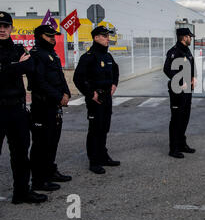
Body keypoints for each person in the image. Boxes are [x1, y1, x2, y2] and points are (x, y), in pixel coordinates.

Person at [0, 11, 47, 204]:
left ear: (11, 28)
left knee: (20, 154)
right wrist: (15, 67)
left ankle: (21, 192)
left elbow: (32, 67)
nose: (1, 29)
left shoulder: (17, 48)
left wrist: (7, 68)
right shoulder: (17, 54)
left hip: (17, 109)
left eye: (5, 26)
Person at [28, 25, 72, 192]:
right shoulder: (36, 55)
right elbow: (39, 82)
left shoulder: (51, 53)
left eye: (54, 36)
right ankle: (39, 180)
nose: (53, 38)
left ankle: (50, 171)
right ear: (40, 36)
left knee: (52, 141)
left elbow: (60, 76)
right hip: (42, 105)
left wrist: (66, 93)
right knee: (41, 144)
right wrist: (58, 96)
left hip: (54, 105)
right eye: (49, 36)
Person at [74, 26, 120, 174]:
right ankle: (94, 161)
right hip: (96, 99)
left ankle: (103, 156)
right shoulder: (89, 56)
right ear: (96, 38)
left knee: (104, 128)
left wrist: (114, 84)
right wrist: (90, 94)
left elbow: (115, 70)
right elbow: (78, 78)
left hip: (107, 97)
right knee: (95, 129)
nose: (108, 38)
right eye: (104, 36)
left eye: (108, 36)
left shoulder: (107, 56)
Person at [164, 28, 197, 159]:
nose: (191, 38)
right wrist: (178, 81)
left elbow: (192, 64)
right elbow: (166, 69)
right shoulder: (174, 52)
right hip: (177, 90)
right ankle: (174, 148)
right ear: (184, 37)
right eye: (190, 36)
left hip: (187, 90)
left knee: (185, 117)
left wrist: (194, 77)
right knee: (176, 119)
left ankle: (182, 144)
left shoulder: (187, 50)